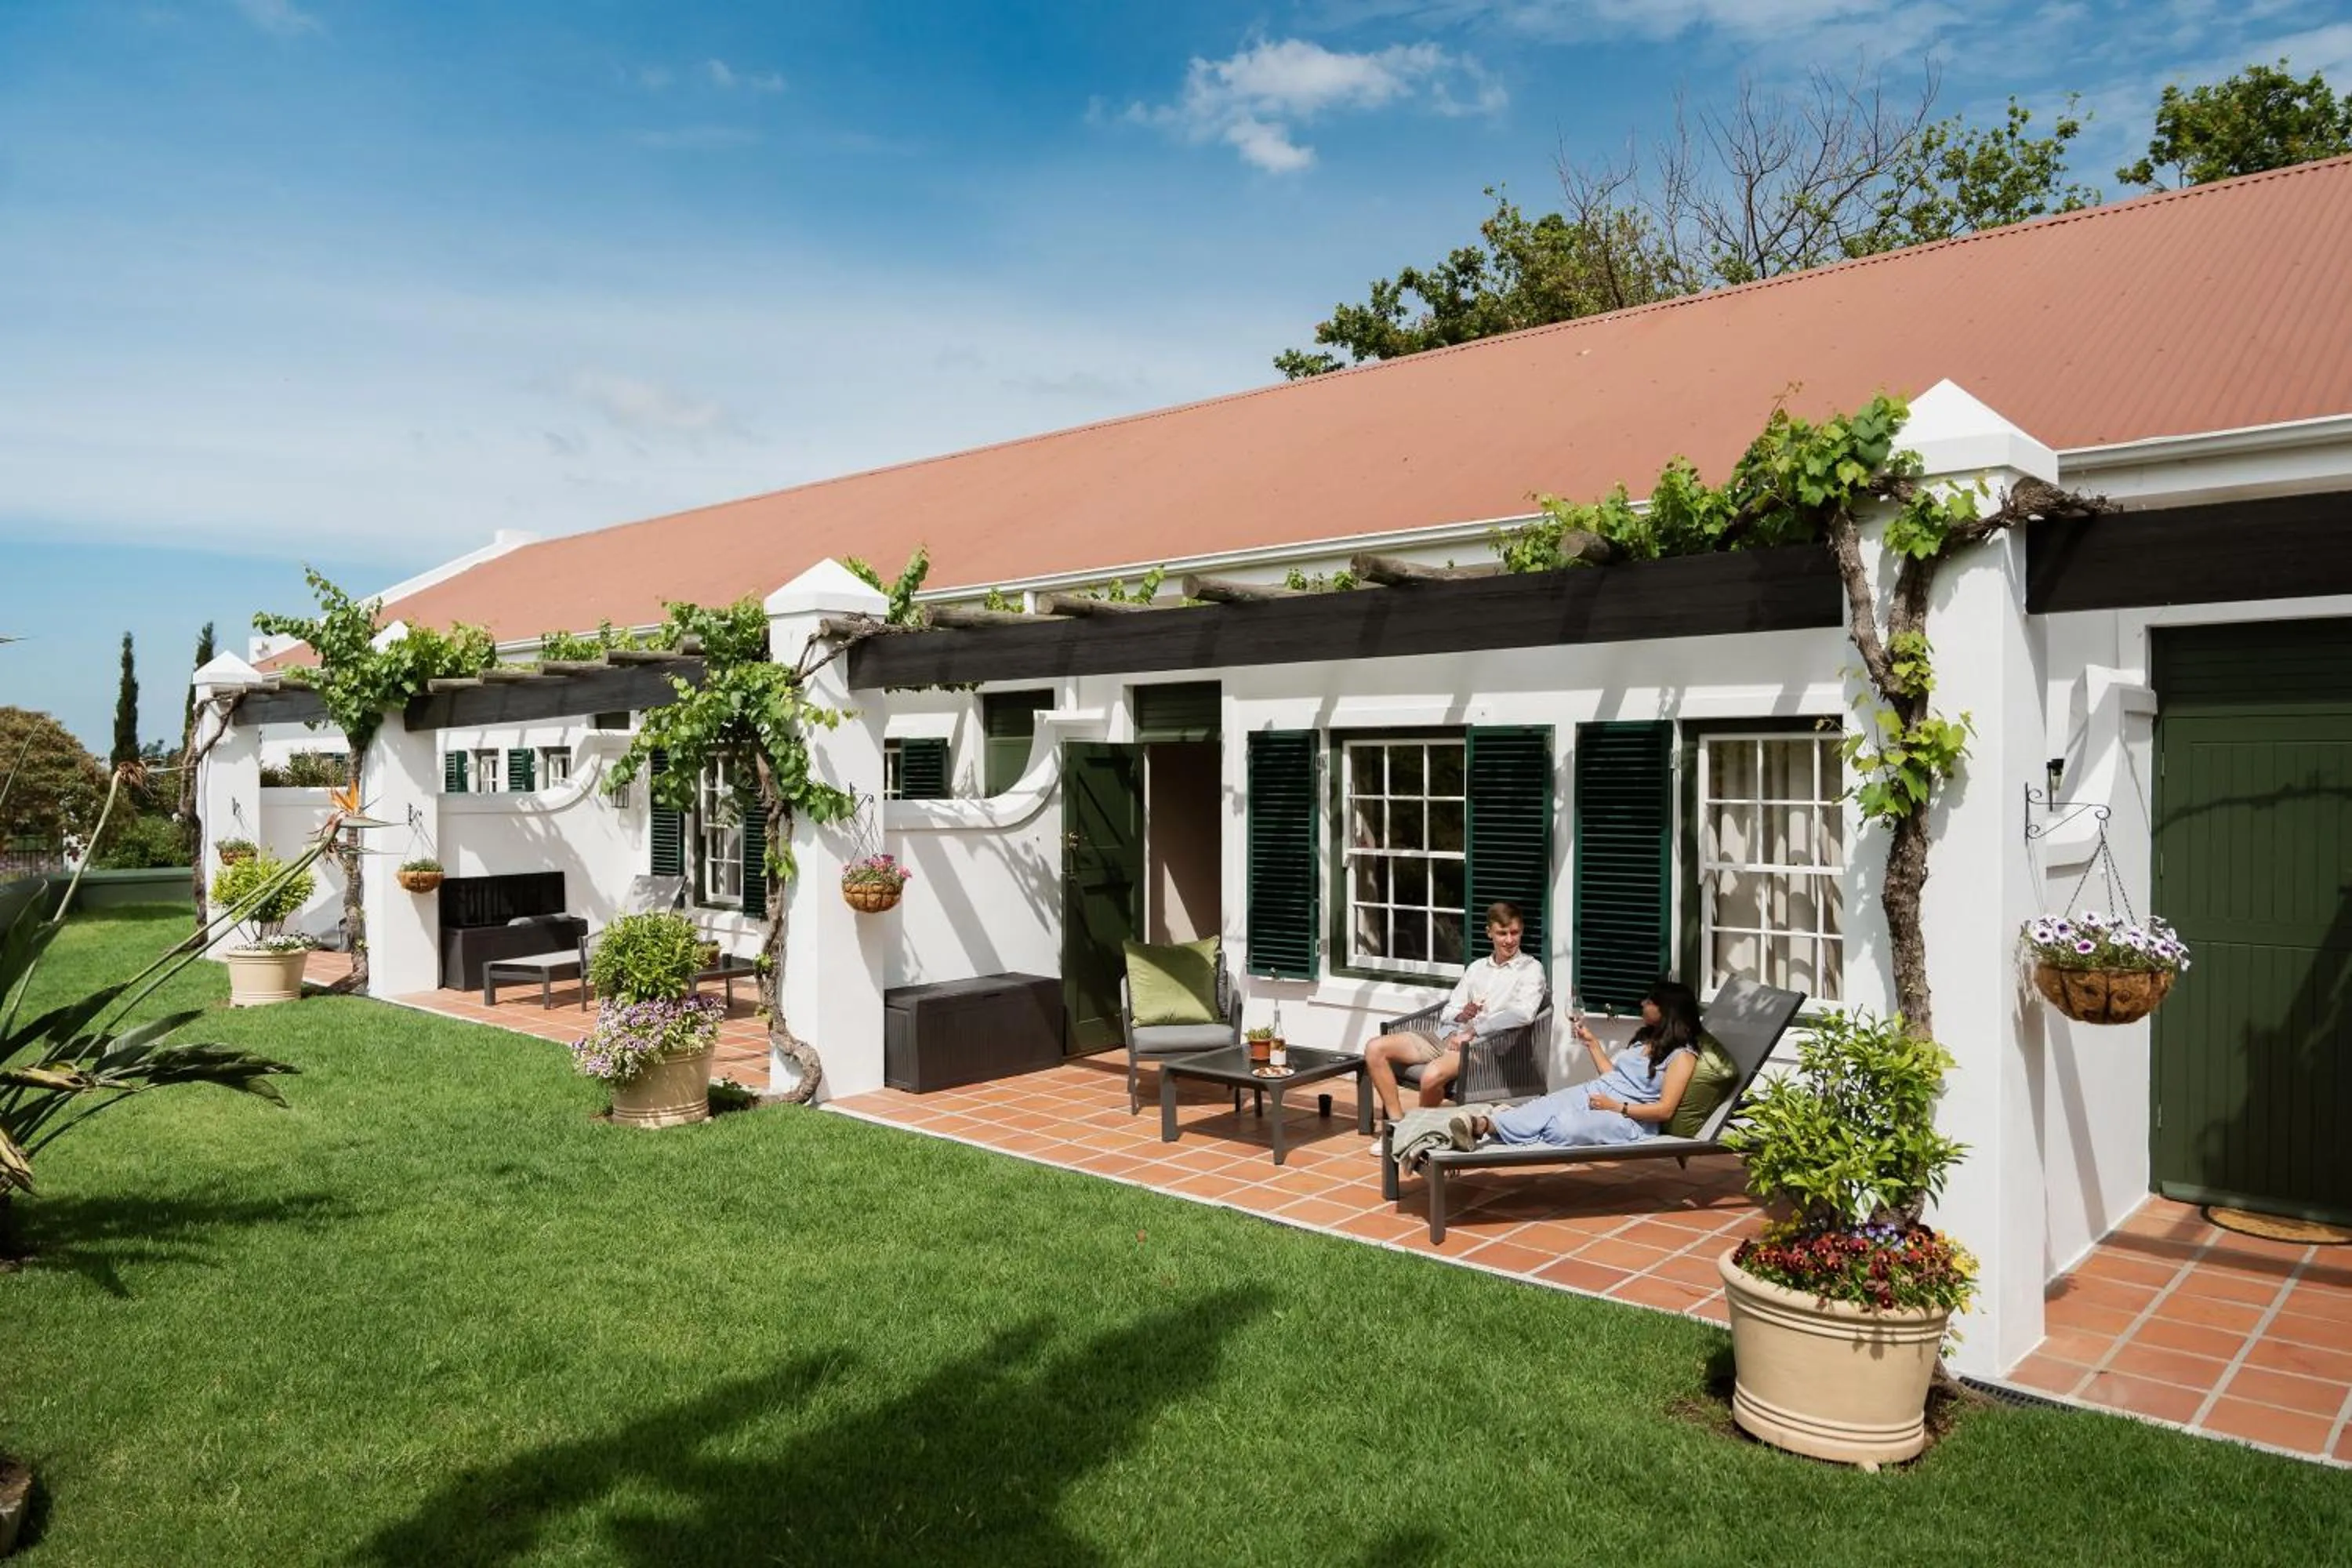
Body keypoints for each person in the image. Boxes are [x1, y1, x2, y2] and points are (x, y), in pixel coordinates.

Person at [1448, 979, 1702, 1150]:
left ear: (1667, 1010)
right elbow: (1614, 1077)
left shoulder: (1682, 1055)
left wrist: (1617, 1107)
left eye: (1650, 1001)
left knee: (1559, 1127)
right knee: (1544, 1106)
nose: (1643, 1004)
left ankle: (1512, 1122)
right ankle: (1482, 1125)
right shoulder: (1647, 1038)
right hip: (1598, 1092)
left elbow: (1665, 1111)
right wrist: (1592, 1044)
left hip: (1629, 1119)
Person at [1362, 902, 1547, 1125]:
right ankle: (1398, 1125)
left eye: (1515, 932)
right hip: (1447, 1034)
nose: (1509, 940)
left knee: (1431, 1076)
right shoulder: (1477, 968)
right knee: (1375, 1048)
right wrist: (1462, 1016)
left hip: (1483, 1046)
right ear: (1489, 933)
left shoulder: (1531, 969)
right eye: (1502, 933)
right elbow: (1449, 1012)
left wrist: (1473, 1031)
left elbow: (1523, 1014)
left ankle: (1418, 1132)